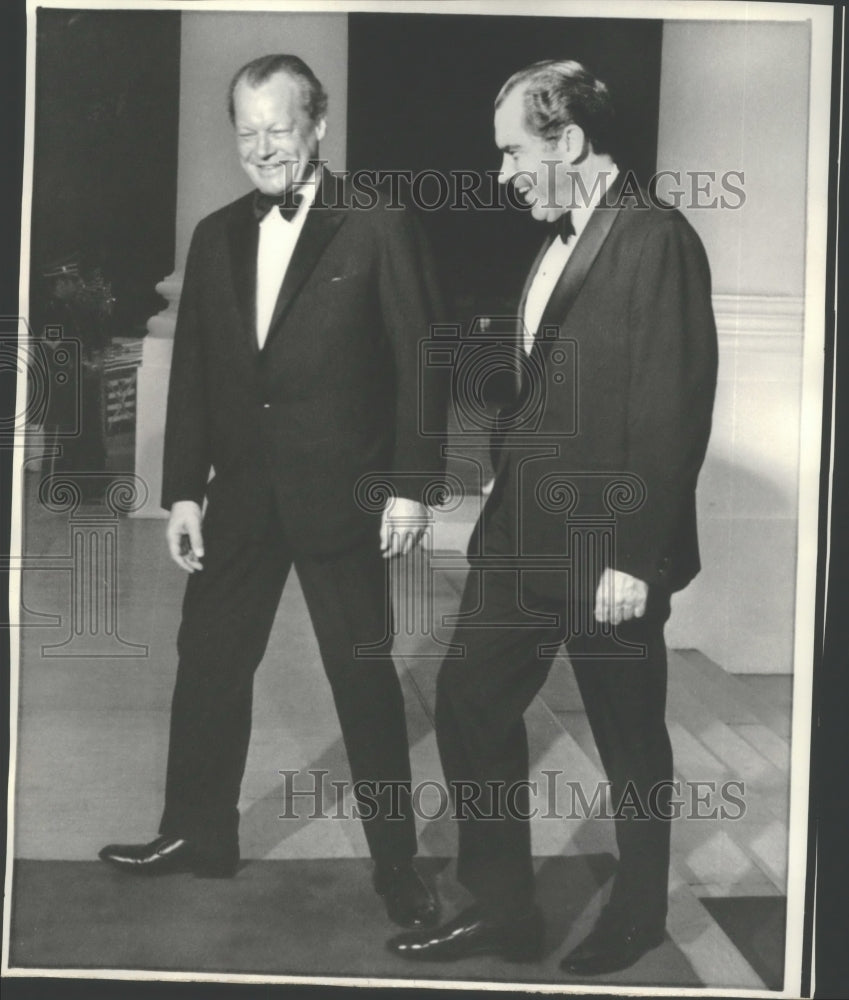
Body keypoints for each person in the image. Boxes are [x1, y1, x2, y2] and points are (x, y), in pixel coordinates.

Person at [99, 54, 446, 930]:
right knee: (208, 663)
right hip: (242, 498)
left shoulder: (375, 220)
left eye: (278, 130)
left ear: (318, 126)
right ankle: (196, 835)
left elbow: (420, 359)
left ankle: (397, 867)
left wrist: (409, 487)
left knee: (362, 684)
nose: (260, 148)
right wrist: (182, 492)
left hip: (349, 499)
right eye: (245, 132)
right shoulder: (214, 233)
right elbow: (198, 378)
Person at [389, 60, 717, 973]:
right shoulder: (554, 238)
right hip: (521, 543)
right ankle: (502, 909)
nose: (501, 174)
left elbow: (670, 408)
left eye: (510, 152)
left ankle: (639, 913)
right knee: (467, 702)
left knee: (626, 736)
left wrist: (634, 560)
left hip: (608, 553)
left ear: (568, 142)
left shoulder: (656, 239)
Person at [34, 253, 109, 497]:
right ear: (60, 283)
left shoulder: (72, 309)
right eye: (73, 281)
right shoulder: (49, 312)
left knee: (79, 435)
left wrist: (91, 363)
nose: (79, 285)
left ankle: (80, 485)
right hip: (59, 385)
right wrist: (84, 365)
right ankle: (54, 488)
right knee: (59, 435)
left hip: (77, 383)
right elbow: (55, 350)